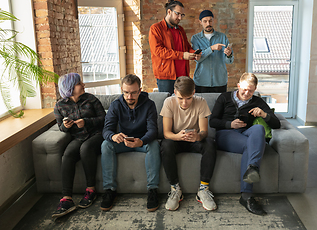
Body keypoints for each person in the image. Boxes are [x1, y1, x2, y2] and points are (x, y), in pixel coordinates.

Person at [209, 73, 281, 215]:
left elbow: (276, 124)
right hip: (225, 134)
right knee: (252, 146)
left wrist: (264, 115)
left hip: (246, 133)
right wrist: (229, 124)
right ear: (238, 86)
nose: (247, 93)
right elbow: (213, 121)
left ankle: (252, 167)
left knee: (258, 128)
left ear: (255, 90)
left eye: (251, 90)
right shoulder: (224, 97)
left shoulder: (257, 101)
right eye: (244, 89)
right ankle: (247, 197)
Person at [100, 74, 161, 212]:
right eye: (126, 92)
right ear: (122, 90)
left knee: (154, 145)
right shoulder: (115, 105)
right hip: (123, 142)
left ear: (140, 90)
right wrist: (113, 136)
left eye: (133, 93)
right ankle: (109, 190)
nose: (129, 97)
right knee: (106, 144)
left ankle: (152, 190)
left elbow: (153, 131)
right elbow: (106, 130)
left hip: (142, 141)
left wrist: (141, 141)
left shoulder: (149, 104)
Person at [52, 73, 106, 218]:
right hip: (78, 137)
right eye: (79, 83)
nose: (83, 85)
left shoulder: (91, 99)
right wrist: (66, 126)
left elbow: (104, 119)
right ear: (70, 87)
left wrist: (86, 122)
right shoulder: (59, 106)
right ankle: (66, 198)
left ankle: (91, 190)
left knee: (86, 148)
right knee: (68, 154)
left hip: (97, 135)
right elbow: (61, 128)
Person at [160, 76, 217, 211]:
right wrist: (178, 136)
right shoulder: (168, 102)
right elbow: (166, 133)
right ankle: (175, 189)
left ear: (193, 93)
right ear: (175, 93)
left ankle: (203, 189)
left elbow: (204, 132)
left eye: (188, 98)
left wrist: (198, 136)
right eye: (180, 98)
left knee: (210, 143)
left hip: (194, 140)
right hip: (176, 139)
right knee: (165, 144)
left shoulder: (201, 102)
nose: (184, 103)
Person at [149, 0, 200, 93]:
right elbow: (158, 51)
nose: (180, 18)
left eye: (182, 15)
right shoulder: (156, 28)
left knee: (183, 104)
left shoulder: (181, 29)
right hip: (166, 76)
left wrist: (194, 54)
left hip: (183, 75)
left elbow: (186, 48)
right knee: (167, 104)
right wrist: (182, 55)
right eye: (177, 14)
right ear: (169, 12)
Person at [191, 10, 234, 93]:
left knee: (219, 106)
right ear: (200, 22)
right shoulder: (195, 38)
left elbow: (229, 61)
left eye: (210, 21)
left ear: (214, 21)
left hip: (220, 81)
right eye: (205, 21)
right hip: (201, 81)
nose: (208, 24)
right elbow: (197, 59)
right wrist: (211, 48)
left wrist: (229, 54)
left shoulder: (222, 37)